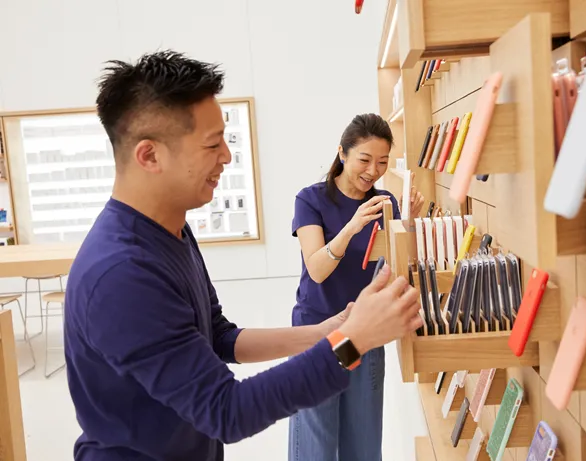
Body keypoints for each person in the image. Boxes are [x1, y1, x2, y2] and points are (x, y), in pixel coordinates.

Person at [63, 51, 423, 461]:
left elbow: (219, 337)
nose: (227, 157)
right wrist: (351, 341)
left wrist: (328, 331)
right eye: (213, 144)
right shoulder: (122, 274)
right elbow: (227, 412)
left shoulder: (171, 231)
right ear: (150, 156)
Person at [289, 113, 425, 460]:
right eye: (365, 159)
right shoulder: (310, 200)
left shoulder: (386, 204)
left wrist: (408, 226)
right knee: (316, 441)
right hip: (318, 334)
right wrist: (351, 227)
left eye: (382, 162)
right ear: (342, 153)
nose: (373, 170)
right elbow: (317, 269)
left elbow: (394, 270)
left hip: (363, 335)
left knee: (362, 441)